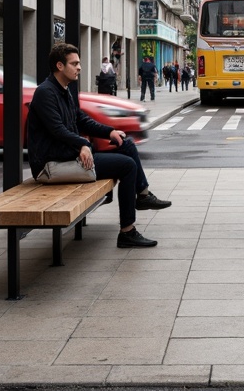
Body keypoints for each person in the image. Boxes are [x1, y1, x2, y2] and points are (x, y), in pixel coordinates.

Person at [28, 43, 171, 249]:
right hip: (51, 165)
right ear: (59, 66)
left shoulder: (64, 90)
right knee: (127, 165)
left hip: (67, 156)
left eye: (79, 63)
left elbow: (82, 120)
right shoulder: (45, 93)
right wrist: (83, 144)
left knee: (127, 145)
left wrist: (109, 131)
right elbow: (57, 129)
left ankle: (143, 195)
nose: (79, 68)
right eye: (74, 63)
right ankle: (127, 232)